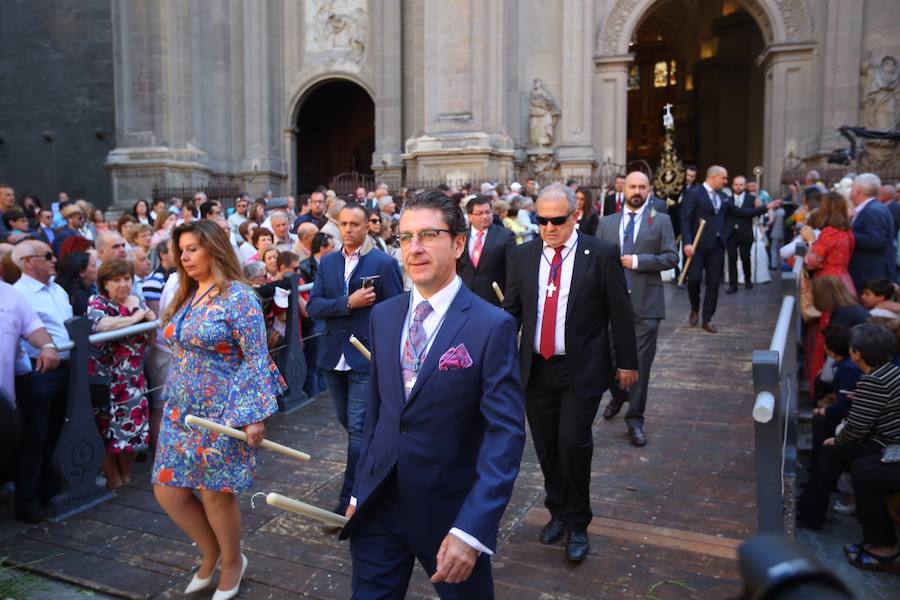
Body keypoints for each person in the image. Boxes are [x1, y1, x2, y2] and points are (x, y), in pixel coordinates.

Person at [340, 189, 525, 598]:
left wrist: (472, 529)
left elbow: (505, 433)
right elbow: (380, 411)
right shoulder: (385, 316)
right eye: (405, 237)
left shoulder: (491, 326)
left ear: (458, 244)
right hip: (380, 505)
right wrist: (359, 488)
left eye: (428, 235)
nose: (415, 248)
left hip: (450, 511)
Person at [503, 183, 638, 562]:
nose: (549, 227)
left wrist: (627, 362)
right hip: (535, 370)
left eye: (557, 220)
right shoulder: (525, 255)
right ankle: (558, 510)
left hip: (582, 368)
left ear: (575, 216)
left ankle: (578, 523)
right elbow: (512, 311)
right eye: (542, 220)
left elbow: (620, 313)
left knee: (573, 443)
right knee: (545, 446)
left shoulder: (601, 254)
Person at [152, 220, 286, 599]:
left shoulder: (239, 297)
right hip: (180, 409)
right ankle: (211, 552)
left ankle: (231, 564)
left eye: (192, 248)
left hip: (223, 412)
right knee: (168, 491)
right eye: (182, 250)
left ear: (214, 248)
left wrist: (253, 415)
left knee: (215, 493)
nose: (184, 256)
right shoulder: (186, 291)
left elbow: (256, 358)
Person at [307, 203, 404, 517]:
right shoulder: (328, 263)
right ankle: (381, 467)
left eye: (354, 224)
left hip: (366, 356)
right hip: (333, 355)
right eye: (344, 224)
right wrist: (347, 303)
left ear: (367, 228)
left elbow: (396, 311)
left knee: (359, 430)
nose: (348, 229)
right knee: (350, 424)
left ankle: (350, 497)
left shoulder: (384, 263)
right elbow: (314, 307)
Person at [797, 322, 900, 543]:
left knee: (829, 452)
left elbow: (856, 428)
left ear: (856, 354)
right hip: (887, 439)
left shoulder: (872, 381)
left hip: (885, 444)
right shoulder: (890, 371)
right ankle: (810, 511)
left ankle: (810, 515)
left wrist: (838, 440)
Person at [596, 171, 678, 447]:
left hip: (646, 306)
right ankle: (619, 395)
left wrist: (638, 261)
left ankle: (635, 420)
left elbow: (671, 257)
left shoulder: (661, 221)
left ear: (650, 190)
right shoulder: (607, 223)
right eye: (632, 186)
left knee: (639, 366)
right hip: (610, 307)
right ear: (623, 189)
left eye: (642, 187)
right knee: (605, 361)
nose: (637, 191)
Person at [11, 240, 72, 523]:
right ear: (27, 262)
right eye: (47, 256)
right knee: (35, 436)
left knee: (56, 431)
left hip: (67, 365)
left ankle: (49, 490)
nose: (54, 260)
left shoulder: (58, 289)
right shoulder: (17, 294)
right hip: (40, 371)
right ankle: (28, 500)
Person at [680, 166, 776, 333]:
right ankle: (695, 307)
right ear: (714, 177)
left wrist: (765, 208)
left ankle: (707, 319)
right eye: (724, 178)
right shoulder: (694, 193)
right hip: (697, 246)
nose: (726, 182)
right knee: (694, 279)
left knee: (713, 282)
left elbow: (740, 212)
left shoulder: (724, 197)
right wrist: (687, 243)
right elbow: (685, 220)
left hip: (717, 245)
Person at [87, 259, 154, 489]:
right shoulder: (97, 302)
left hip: (134, 377)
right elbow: (101, 326)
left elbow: (151, 333)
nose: (123, 284)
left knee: (134, 431)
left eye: (127, 279)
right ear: (105, 283)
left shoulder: (136, 301)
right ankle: (113, 478)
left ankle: (124, 476)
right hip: (108, 377)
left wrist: (144, 317)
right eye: (116, 280)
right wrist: (135, 319)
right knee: (105, 429)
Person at [456, 195, 515, 307]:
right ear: (469, 216)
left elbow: (511, 271)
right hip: (464, 297)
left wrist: (509, 300)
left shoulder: (505, 236)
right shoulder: (460, 238)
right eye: (479, 213)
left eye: (488, 212)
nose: (485, 216)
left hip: (493, 300)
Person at [802, 191, 857, 295]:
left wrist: (811, 241)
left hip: (828, 283)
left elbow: (813, 262)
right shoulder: (848, 232)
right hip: (845, 281)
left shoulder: (829, 232)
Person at [849, 173, 896, 292]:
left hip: (871, 275)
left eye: (852, 189)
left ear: (857, 191)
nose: (850, 193)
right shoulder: (872, 208)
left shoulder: (873, 210)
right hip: (870, 272)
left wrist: (846, 235)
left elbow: (875, 241)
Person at [725, 175, 757, 293]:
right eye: (736, 184)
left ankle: (748, 281)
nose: (738, 187)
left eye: (741, 184)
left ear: (745, 186)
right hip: (731, 233)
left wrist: (758, 206)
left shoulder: (751, 199)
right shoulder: (727, 199)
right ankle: (733, 285)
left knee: (745, 258)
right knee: (731, 259)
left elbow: (756, 215)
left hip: (745, 233)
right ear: (733, 186)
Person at [55, 250, 99, 316]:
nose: (97, 268)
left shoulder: (90, 289)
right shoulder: (79, 297)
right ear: (81, 272)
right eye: (93, 266)